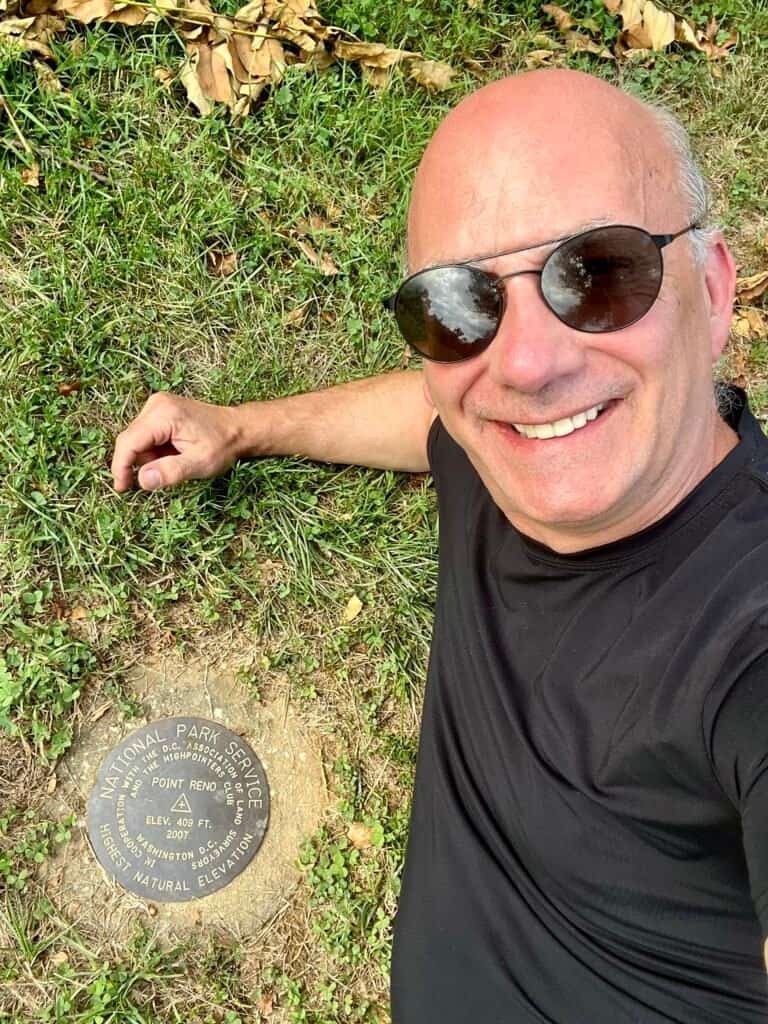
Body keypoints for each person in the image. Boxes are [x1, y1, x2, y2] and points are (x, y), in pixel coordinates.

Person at [112, 69, 768, 1022]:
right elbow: (435, 411)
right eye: (461, 306)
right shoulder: (488, 422)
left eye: (599, 275)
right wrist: (245, 427)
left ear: (713, 291)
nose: (527, 365)